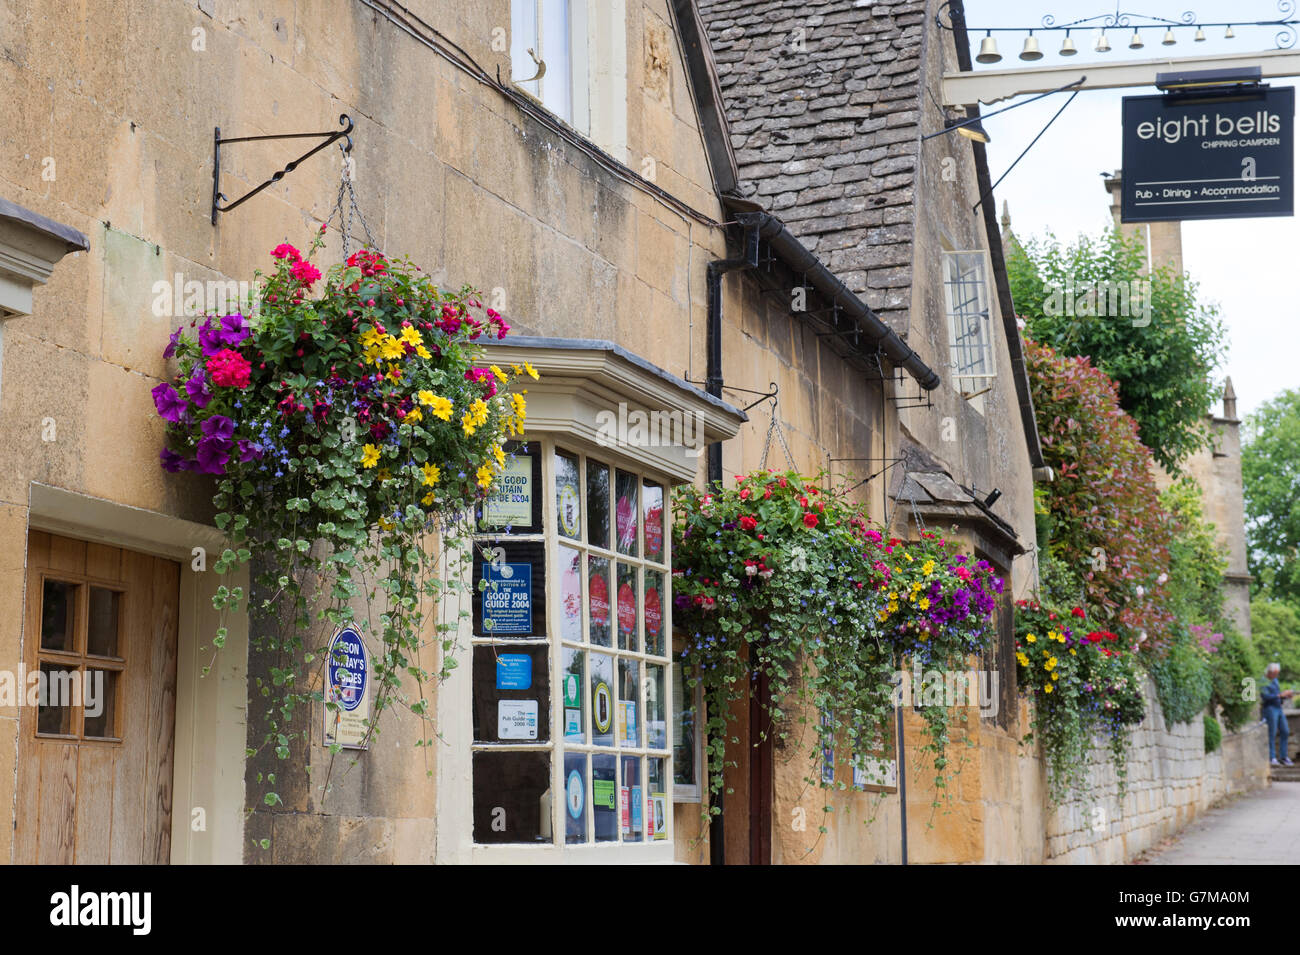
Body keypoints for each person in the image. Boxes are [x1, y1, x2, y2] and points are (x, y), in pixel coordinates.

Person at [1261, 662, 1294, 766]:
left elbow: (1278, 695)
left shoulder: (1275, 680)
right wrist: (1280, 695)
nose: (1276, 676)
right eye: (1275, 674)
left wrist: (1285, 696)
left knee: (1285, 731)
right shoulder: (1263, 681)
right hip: (1269, 708)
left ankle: (1283, 756)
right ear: (1269, 672)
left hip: (1278, 708)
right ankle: (1272, 757)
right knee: (1272, 733)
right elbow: (1265, 697)